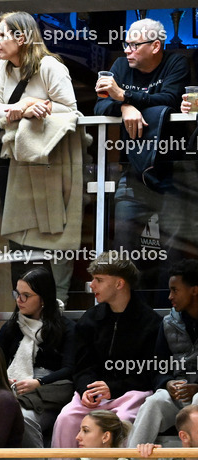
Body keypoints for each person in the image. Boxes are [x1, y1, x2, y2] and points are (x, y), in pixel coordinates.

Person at [0, 12, 83, 301]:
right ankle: (24, 306)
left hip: (51, 169)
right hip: (17, 168)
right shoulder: (4, 67)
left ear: (22, 37)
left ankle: (57, 308)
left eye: (2, 35)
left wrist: (28, 106)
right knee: (20, 246)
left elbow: (71, 111)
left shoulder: (50, 66)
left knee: (54, 242)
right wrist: (20, 109)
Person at [96, 19, 189, 290]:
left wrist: (124, 96)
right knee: (123, 249)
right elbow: (101, 106)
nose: (127, 50)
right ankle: (128, 316)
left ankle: (169, 317)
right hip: (133, 171)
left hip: (172, 171)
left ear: (156, 46)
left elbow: (171, 100)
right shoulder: (120, 67)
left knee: (172, 252)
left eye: (135, 45)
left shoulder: (176, 63)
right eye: (126, 44)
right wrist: (125, 107)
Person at [51, 253, 162, 451]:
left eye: (99, 280)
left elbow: (151, 373)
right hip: (93, 395)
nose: (91, 285)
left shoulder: (151, 323)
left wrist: (112, 387)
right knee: (66, 418)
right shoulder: (89, 319)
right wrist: (86, 389)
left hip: (130, 394)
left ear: (119, 284)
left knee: (122, 421)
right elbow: (82, 366)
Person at [0, 268, 75, 449]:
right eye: (17, 293)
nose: (19, 300)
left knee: (23, 418)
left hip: (48, 391)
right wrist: (3, 379)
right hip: (15, 387)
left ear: (43, 299)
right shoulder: (11, 328)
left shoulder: (66, 328)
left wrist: (39, 382)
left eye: (26, 295)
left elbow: (69, 369)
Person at [128, 259, 198, 447]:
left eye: (175, 290)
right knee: (154, 402)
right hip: (179, 395)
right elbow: (157, 367)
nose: (169, 296)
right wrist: (168, 383)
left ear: (194, 290)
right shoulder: (168, 323)